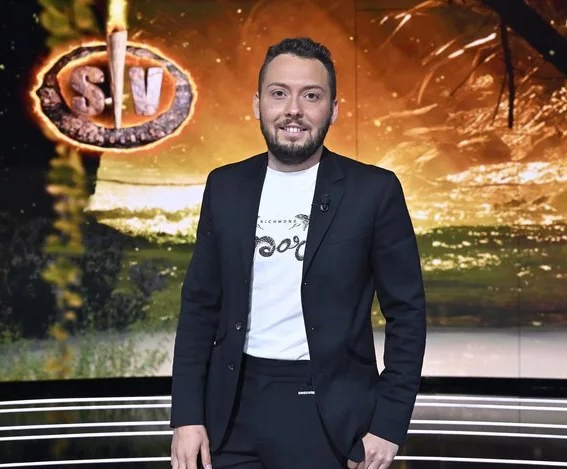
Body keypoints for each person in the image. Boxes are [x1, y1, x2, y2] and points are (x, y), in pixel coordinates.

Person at [170, 37, 426, 469]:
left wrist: (388, 424)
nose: (293, 110)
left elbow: (407, 314)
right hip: (228, 413)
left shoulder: (374, 191)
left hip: (326, 415)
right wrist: (187, 415)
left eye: (311, 96)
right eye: (279, 93)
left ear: (333, 110)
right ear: (257, 105)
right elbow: (199, 306)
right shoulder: (225, 186)